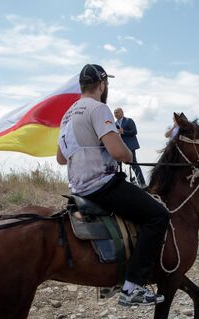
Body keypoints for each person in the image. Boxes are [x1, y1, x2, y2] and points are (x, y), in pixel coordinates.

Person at [56, 63, 169, 306]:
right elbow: (119, 153)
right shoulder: (99, 109)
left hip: (78, 187)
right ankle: (133, 287)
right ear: (103, 84)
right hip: (101, 184)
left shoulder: (67, 115)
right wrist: (126, 152)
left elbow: (60, 158)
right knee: (158, 215)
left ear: (81, 85)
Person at [114, 107, 146, 186]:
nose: (116, 114)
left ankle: (142, 183)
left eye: (117, 112)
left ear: (122, 112)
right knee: (117, 164)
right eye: (115, 113)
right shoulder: (114, 124)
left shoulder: (129, 121)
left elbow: (134, 131)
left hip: (130, 146)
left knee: (133, 164)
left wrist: (123, 131)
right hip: (120, 147)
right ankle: (119, 183)